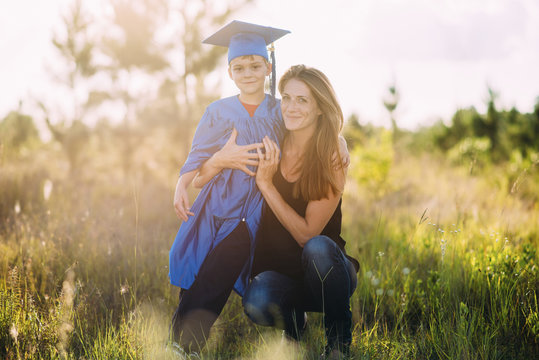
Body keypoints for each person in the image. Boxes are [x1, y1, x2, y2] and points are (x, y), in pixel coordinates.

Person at [168, 20, 290, 354]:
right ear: (229, 72)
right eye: (239, 67)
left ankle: (183, 344)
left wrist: (340, 141)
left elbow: (313, 127)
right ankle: (180, 343)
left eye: (254, 65)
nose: (248, 73)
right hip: (216, 208)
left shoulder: (281, 111)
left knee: (222, 265)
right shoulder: (217, 112)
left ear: (268, 67)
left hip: (257, 210)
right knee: (200, 274)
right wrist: (209, 167)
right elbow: (198, 170)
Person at [241, 65, 360, 359]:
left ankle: (337, 346)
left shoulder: (331, 156)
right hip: (284, 275)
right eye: (287, 98)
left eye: (302, 100)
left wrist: (267, 185)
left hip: (327, 275)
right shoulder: (272, 139)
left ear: (320, 107)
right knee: (256, 300)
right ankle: (294, 323)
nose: (291, 108)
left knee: (318, 247)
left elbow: (308, 234)